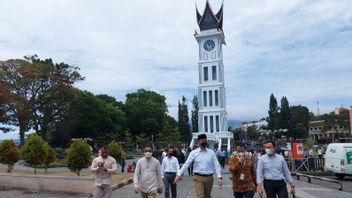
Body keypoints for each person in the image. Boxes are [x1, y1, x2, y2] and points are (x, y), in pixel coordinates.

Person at [174, 134, 223, 198]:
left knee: (207, 196)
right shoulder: (194, 153)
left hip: (209, 178)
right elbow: (187, 163)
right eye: (202, 140)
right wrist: (178, 175)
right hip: (198, 178)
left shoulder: (211, 153)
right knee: (200, 196)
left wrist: (219, 177)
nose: (203, 142)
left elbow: (217, 165)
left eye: (205, 140)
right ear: (198, 141)